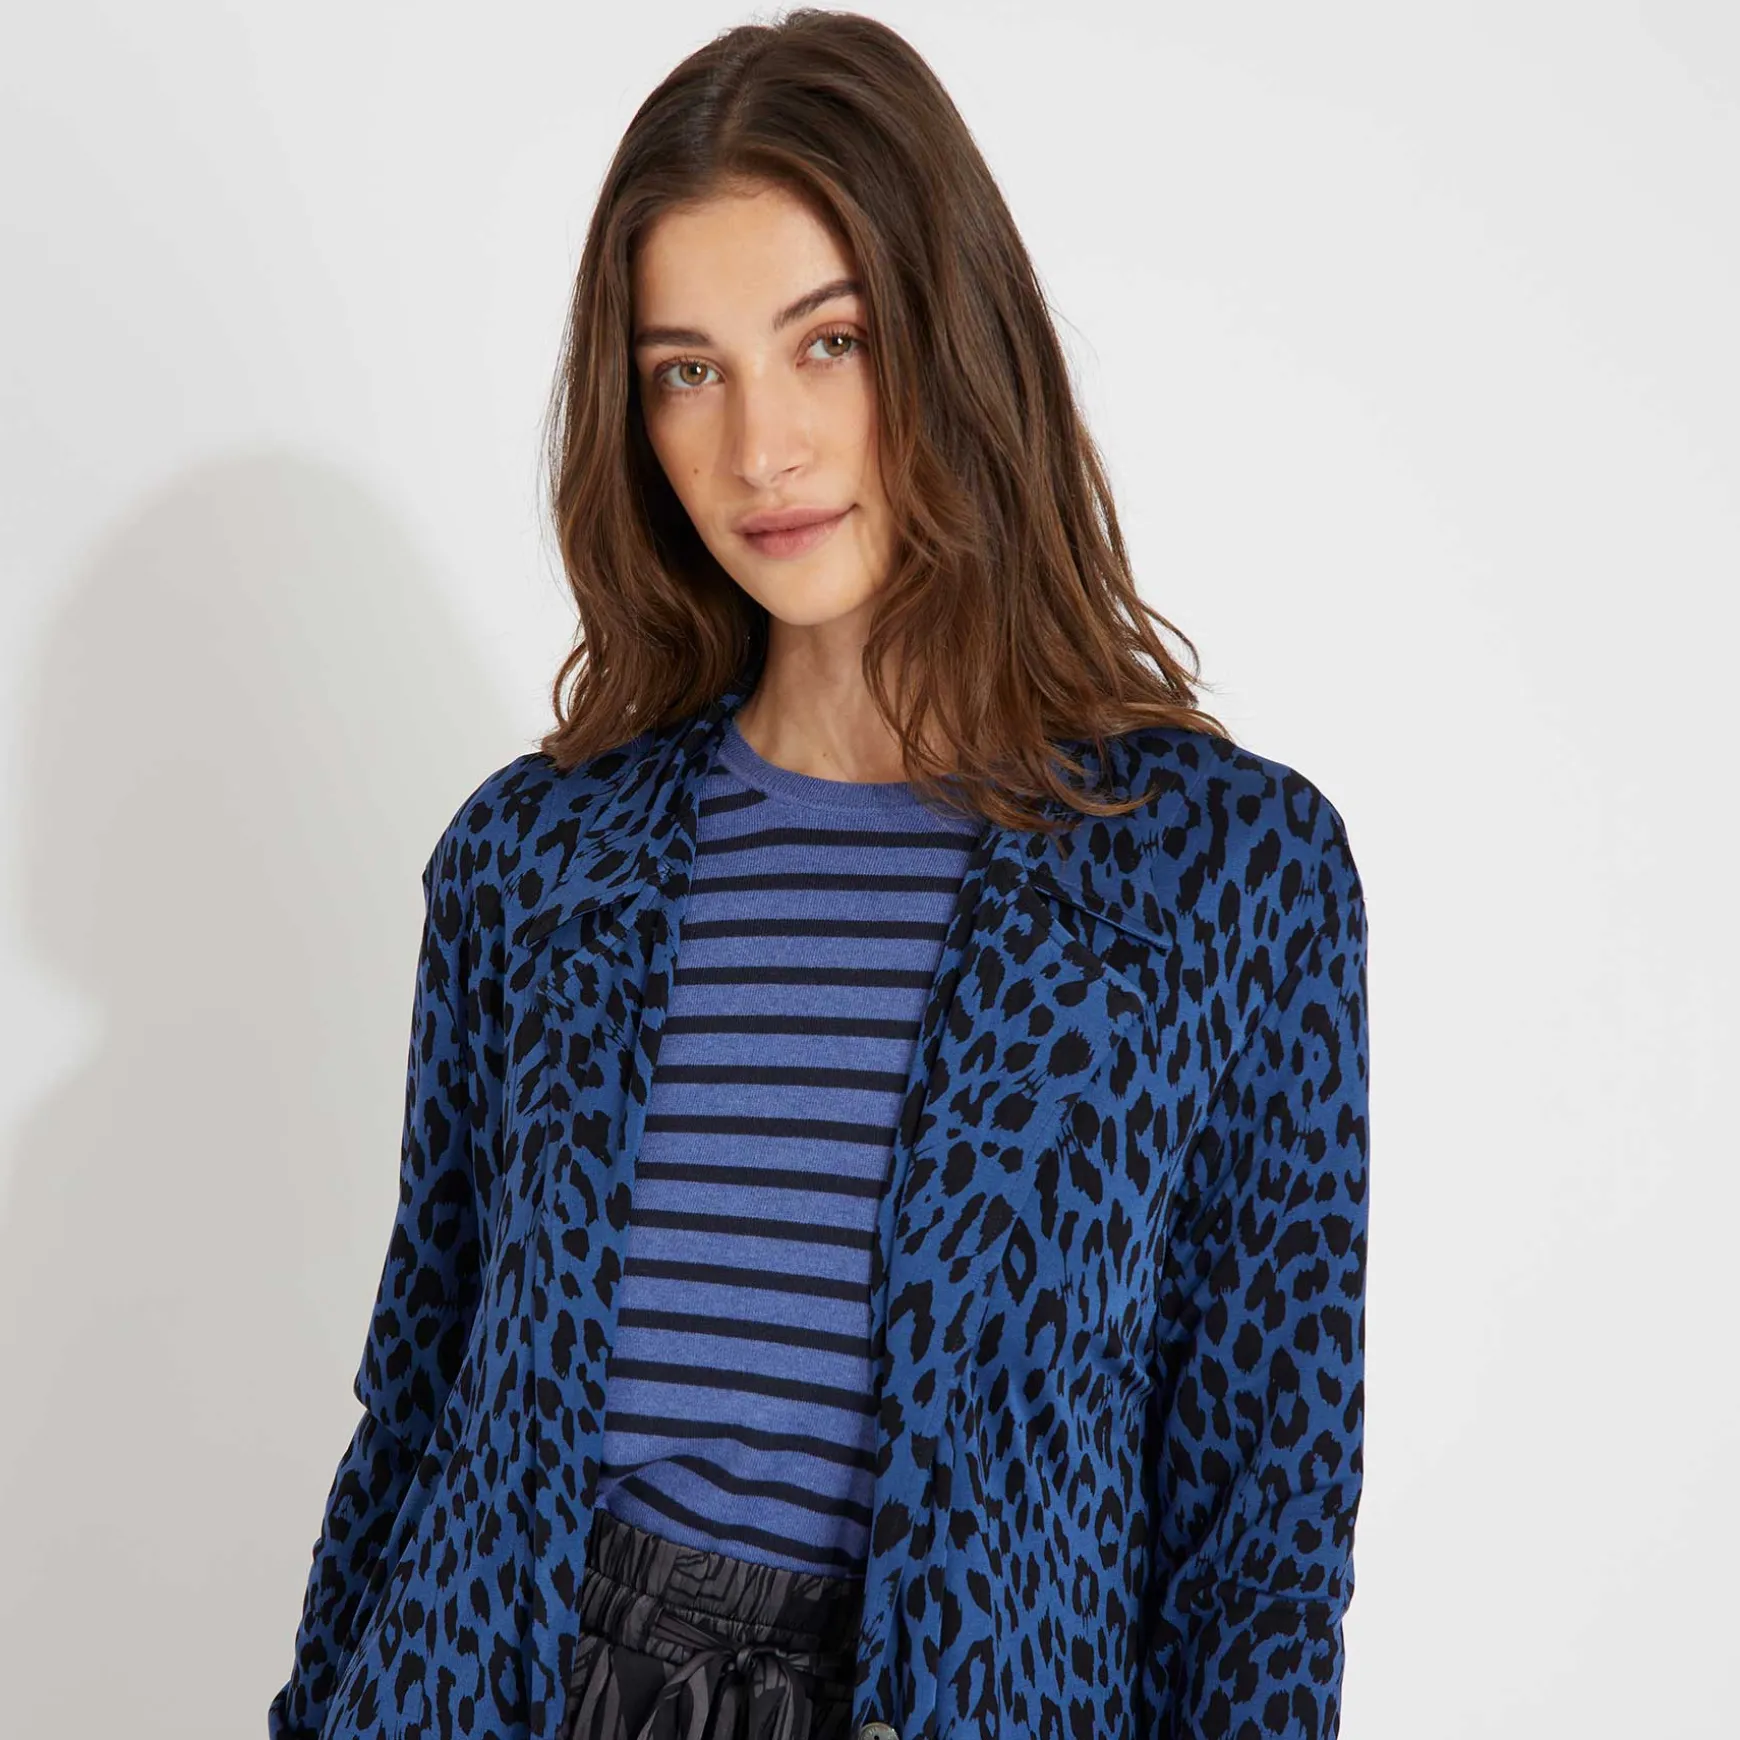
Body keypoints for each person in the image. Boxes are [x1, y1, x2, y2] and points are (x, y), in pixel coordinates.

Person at [269, 10, 1369, 1740]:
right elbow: (416, 1408)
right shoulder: (532, 862)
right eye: (685, 370)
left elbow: (1257, 1543)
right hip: (493, 1688)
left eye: (828, 343)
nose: (759, 449)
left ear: (956, 338)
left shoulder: (1223, 876)